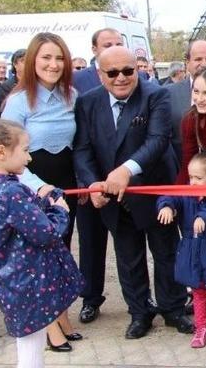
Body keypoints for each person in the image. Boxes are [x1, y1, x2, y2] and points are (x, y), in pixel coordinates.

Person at [73, 45, 192, 339]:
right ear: (100, 75)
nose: (122, 78)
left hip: (153, 189)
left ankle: (173, 308)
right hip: (113, 195)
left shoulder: (156, 95)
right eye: (113, 73)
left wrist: (126, 170)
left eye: (128, 70)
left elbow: (157, 141)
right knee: (128, 257)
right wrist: (93, 184)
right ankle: (139, 312)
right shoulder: (87, 102)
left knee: (166, 252)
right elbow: (83, 149)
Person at [1, 33, 81, 349]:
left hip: (64, 188)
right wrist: (40, 188)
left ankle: (59, 315)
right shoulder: (18, 101)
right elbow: (7, 154)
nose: (53, 64)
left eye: (59, 58)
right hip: (33, 188)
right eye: (46, 57)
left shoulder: (72, 95)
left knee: (60, 253)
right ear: (33, 60)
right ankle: (49, 328)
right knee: (40, 259)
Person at [0, 119, 84, 368]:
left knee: (28, 341)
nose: (29, 158)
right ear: (1, 152)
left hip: (9, 279)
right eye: (25, 150)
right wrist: (59, 210)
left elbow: (17, 220)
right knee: (31, 348)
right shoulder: (10, 192)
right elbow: (45, 232)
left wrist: (42, 202)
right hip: (27, 281)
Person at [71, 28, 125, 325]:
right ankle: (90, 298)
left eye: (119, 43)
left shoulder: (135, 79)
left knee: (128, 244)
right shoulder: (78, 83)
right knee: (91, 244)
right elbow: (79, 141)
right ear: (94, 50)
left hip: (125, 181)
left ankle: (141, 300)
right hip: (90, 181)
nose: (114, 48)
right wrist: (89, 182)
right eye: (107, 45)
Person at [157, 152, 206, 349]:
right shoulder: (186, 193)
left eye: (198, 178)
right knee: (199, 294)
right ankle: (201, 329)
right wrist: (166, 206)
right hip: (192, 252)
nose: (192, 182)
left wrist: (204, 218)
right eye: (190, 177)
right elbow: (169, 196)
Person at [167, 40, 206, 163]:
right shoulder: (169, 93)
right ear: (187, 63)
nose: (204, 64)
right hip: (180, 167)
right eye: (198, 59)